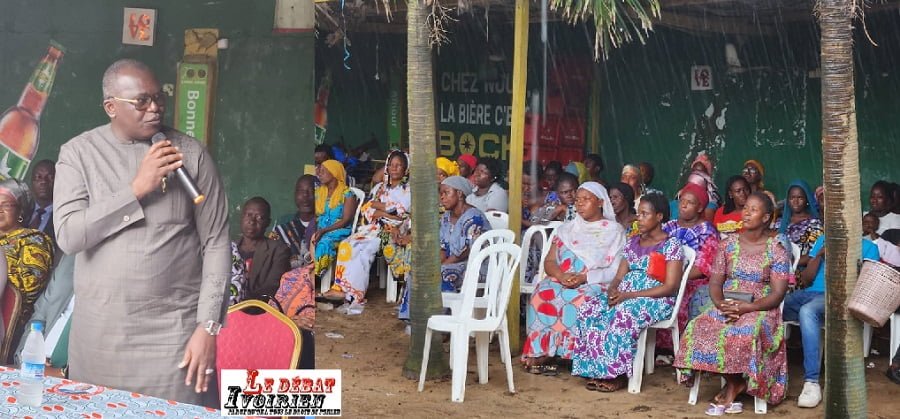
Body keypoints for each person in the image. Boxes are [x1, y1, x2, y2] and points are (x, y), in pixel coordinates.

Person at [54, 59, 230, 404]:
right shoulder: (78, 154)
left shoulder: (191, 154)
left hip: (173, 340)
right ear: (111, 107)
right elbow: (69, 236)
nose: (154, 109)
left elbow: (217, 243)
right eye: (141, 101)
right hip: (100, 339)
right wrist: (136, 188)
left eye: (159, 98)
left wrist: (208, 327)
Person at [674, 192, 792, 415]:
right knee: (700, 326)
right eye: (745, 208)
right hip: (728, 303)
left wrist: (749, 307)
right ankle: (735, 382)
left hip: (761, 307)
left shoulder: (776, 249)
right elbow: (715, 283)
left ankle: (734, 385)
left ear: (766, 217)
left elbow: (778, 293)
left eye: (753, 210)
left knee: (744, 331)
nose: (746, 213)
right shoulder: (727, 245)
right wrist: (720, 305)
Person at [572, 192, 685, 392]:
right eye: (638, 213)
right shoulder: (633, 242)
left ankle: (618, 374)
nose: (638, 218)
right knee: (589, 309)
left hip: (655, 299)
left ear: (659, 216)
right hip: (625, 295)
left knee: (624, 315)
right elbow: (619, 275)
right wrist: (613, 289)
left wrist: (628, 296)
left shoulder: (671, 245)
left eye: (644, 214)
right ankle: (596, 370)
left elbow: (670, 287)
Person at [521, 182, 625, 374]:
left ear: (600, 202)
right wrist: (561, 275)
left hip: (594, 281)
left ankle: (575, 354)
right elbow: (550, 261)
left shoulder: (613, 231)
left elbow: (616, 269)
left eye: (586, 199)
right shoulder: (566, 229)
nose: (580, 204)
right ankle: (543, 351)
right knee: (541, 294)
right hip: (563, 278)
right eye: (578, 200)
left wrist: (584, 278)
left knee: (582, 300)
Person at [785, 227, 880, 408]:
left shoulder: (868, 248)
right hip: (807, 293)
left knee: (807, 312)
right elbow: (806, 279)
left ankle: (811, 382)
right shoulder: (823, 239)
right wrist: (819, 254)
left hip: (834, 297)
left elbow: (867, 285)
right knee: (771, 307)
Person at [328, 150, 410, 307]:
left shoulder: (408, 190)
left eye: (399, 165)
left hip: (391, 231)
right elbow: (367, 208)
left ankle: (355, 295)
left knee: (365, 250)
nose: (394, 168)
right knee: (347, 244)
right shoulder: (380, 188)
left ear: (405, 169)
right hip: (371, 228)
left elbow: (400, 213)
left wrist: (379, 208)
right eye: (391, 165)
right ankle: (341, 287)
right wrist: (383, 209)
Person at [659, 182, 720, 352]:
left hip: (693, 282)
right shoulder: (668, 227)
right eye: (681, 201)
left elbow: (702, 269)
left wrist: (672, 279)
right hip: (664, 278)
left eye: (690, 202)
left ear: (700, 207)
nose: (683, 205)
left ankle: (676, 349)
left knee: (679, 297)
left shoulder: (708, 232)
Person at [0, 178, 54, 360]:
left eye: (6, 205)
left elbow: (28, 286)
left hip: (10, 326)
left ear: (21, 210)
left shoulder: (34, 240)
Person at [14, 253, 73, 378]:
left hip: (78, 378)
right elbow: (40, 315)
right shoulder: (71, 258)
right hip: (34, 365)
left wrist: (64, 373)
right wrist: (25, 356)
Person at [229, 197, 290, 305]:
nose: (252, 221)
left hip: (260, 311)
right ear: (241, 217)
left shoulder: (278, 250)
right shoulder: (229, 249)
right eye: (248, 215)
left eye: (259, 217)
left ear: (267, 223)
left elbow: (273, 287)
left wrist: (242, 304)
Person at [439, 176, 491, 292]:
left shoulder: (473, 217)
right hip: (452, 263)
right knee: (419, 274)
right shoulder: (446, 217)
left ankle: (443, 310)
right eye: (441, 193)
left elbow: (464, 252)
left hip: (475, 266)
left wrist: (441, 267)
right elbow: (442, 247)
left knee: (439, 275)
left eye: (446, 193)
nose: (442, 197)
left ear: (459, 193)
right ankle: (413, 310)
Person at [311, 160, 357, 276]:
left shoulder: (347, 193)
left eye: (323, 171)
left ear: (334, 172)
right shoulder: (318, 192)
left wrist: (324, 230)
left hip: (339, 230)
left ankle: (315, 275)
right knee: (308, 239)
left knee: (323, 243)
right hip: (320, 228)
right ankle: (307, 273)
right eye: (318, 171)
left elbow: (346, 220)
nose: (319, 174)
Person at [270, 175, 317, 269]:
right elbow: (271, 256)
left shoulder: (324, 224)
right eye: (301, 191)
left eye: (312, 191)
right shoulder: (283, 223)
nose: (305, 196)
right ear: (295, 195)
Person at [776, 180, 823, 269]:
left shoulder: (814, 224)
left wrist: (791, 263)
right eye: (792, 198)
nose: (795, 202)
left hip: (801, 271)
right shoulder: (780, 223)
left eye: (800, 198)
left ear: (807, 200)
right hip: (779, 269)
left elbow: (814, 254)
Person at [28, 159, 56, 241]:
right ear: (32, 181)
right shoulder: (20, 210)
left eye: (50, 178)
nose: (43, 181)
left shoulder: (61, 218)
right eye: (38, 177)